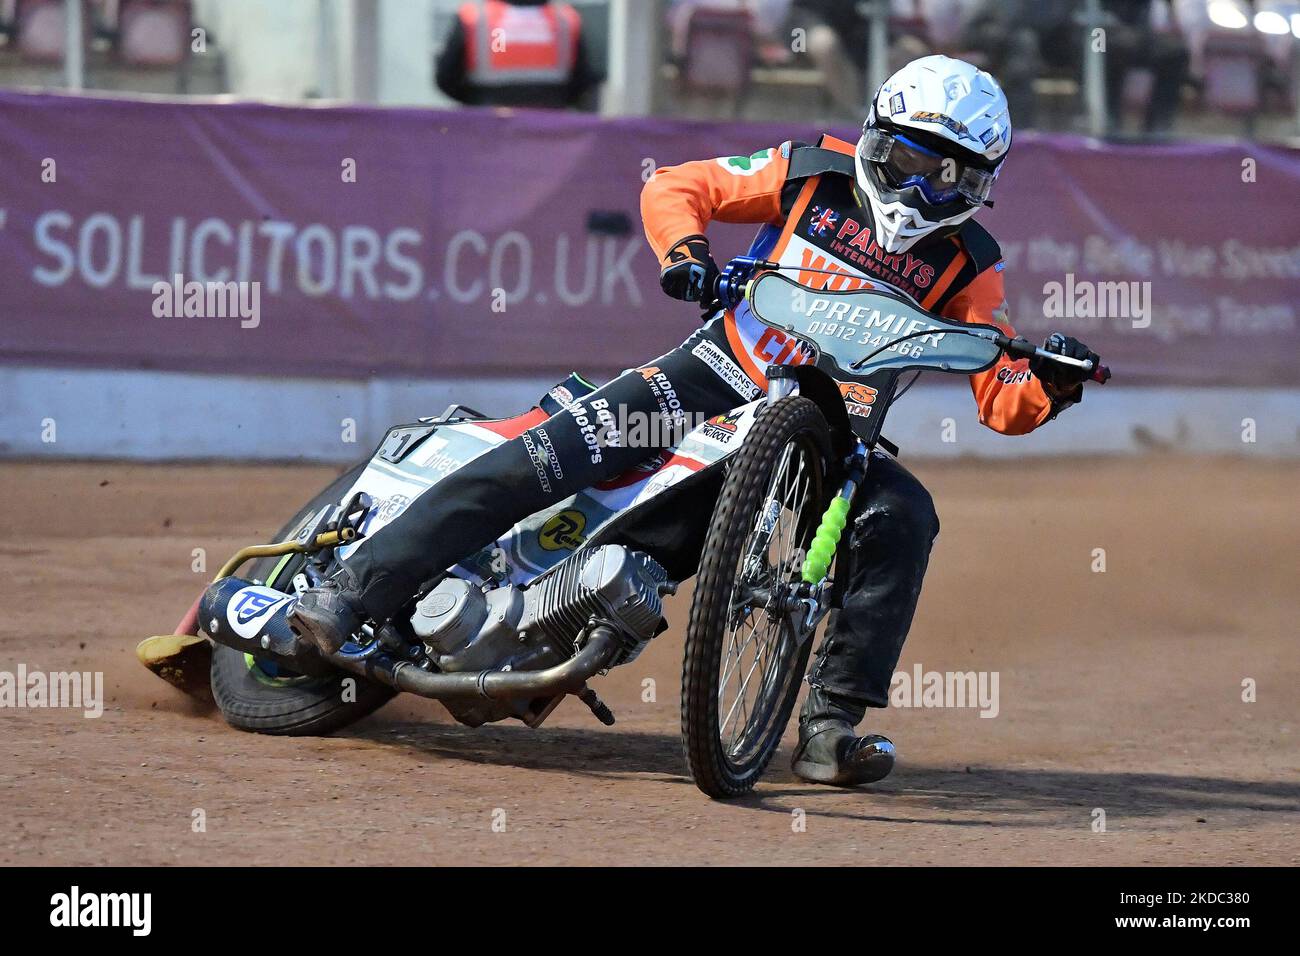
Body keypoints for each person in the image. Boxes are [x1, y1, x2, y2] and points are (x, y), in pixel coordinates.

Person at [291, 55, 1101, 787]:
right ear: (876, 138)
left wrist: (1050, 382)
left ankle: (830, 726)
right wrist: (685, 254)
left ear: (985, 184)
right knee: (544, 458)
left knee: (904, 515)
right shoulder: (807, 170)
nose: (929, 189)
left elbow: (1001, 396)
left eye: (956, 178)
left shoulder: (971, 262)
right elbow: (680, 185)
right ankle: (351, 594)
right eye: (918, 160)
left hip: (831, 444)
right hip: (711, 376)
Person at [435, 0, 600, 109]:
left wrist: (477, 103)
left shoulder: (475, 17)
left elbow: (446, 78)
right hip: (548, 132)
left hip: (488, 131)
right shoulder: (565, 19)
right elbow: (583, 82)